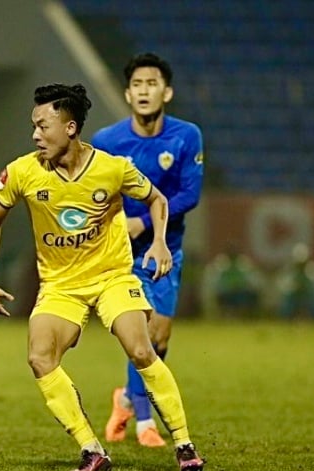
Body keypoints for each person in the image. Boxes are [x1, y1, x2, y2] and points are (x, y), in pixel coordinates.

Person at [0, 83, 205, 471]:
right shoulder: (23, 171)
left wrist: (160, 244)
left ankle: (184, 444)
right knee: (39, 356)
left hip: (112, 276)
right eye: (33, 126)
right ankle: (91, 450)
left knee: (140, 348)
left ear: (69, 128)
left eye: (42, 126)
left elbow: (157, 199)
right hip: (61, 286)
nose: (35, 135)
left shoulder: (111, 168)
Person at [91, 53, 204, 448]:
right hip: (123, 255)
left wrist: (146, 221)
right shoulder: (107, 141)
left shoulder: (187, 136)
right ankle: (144, 423)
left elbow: (190, 193)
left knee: (160, 339)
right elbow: (96, 191)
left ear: (166, 92)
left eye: (151, 84)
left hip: (167, 249)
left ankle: (124, 397)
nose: (143, 91)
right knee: (143, 331)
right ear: (127, 93)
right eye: (137, 85)